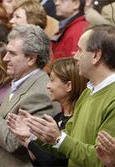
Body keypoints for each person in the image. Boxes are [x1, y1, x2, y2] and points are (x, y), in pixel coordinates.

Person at [12, 25, 115, 166]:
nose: (75, 56)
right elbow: (66, 142)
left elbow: (100, 160)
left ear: (96, 56)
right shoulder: (88, 91)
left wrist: (59, 139)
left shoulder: (112, 99)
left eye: (80, 50)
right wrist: (36, 134)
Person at [0, 24, 59, 166]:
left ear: (31, 59)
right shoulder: (20, 81)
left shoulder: (40, 93)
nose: (5, 59)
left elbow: (15, 142)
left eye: (12, 54)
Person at [7, 57, 87, 166]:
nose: (48, 86)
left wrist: (31, 140)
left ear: (68, 86)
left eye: (52, 80)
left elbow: (56, 163)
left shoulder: (79, 121)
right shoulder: (58, 117)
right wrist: (31, 134)